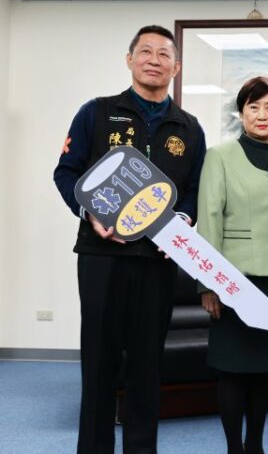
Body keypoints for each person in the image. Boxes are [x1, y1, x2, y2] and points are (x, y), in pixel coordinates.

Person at [53, 24, 206, 453]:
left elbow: (195, 189)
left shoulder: (189, 128)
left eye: (164, 54)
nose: (154, 60)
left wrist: (182, 221)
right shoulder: (97, 113)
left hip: (157, 261)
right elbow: (66, 172)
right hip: (102, 256)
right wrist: (90, 214)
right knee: (99, 362)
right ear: (129, 60)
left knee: (147, 365)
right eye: (145, 52)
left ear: (176, 68)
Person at [197, 77, 268, 454]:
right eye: (253, 107)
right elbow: (209, 220)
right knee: (233, 370)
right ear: (241, 113)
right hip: (233, 280)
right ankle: (234, 448)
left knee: (263, 370)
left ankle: (255, 445)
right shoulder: (219, 156)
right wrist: (209, 284)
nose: (262, 115)